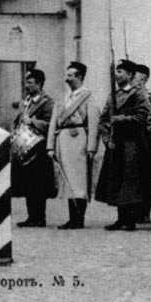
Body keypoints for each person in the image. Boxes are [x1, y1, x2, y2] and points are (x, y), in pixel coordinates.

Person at [95, 59, 151, 231]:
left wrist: (123, 120)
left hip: (132, 143)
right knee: (117, 180)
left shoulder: (138, 94)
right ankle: (121, 218)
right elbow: (103, 119)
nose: (116, 74)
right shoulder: (113, 94)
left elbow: (143, 117)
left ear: (129, 75)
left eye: (120, 71)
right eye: (116, 71)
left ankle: (130, 219)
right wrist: (107, 139)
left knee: (130, 182)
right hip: (115, 143)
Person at [46, 62, 100, 230]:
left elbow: (94, 123)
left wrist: (91, 147)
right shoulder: (63, 97)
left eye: (70, 75)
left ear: (79, 77)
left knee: (79, 181)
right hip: (63, 140)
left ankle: (78, 219)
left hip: (79, 141)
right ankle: (72, 218)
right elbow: (53, 122)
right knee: (68, 180)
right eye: (67, 75)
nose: (67, 79)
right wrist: (50, 146)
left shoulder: (88, 96)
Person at [11, 69, 56, 228]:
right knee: (28, 183)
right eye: (26, 83)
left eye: (30, 83)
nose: (26, 86)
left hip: (39, 148)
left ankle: (40, 217)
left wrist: (32, 122)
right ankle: (31, 216)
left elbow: (51, 124)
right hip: (26, 148)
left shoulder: (47, 102)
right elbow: (18, 121)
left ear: (39, 84)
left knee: (39, 185)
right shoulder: (27, 101)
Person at [132, 63, 151, 224]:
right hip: (133, 139)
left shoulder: (150, 96)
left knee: (145, 176)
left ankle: (145, 210)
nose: (134, 81)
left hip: (146, 140)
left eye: (137, 78)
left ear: (144, 80)